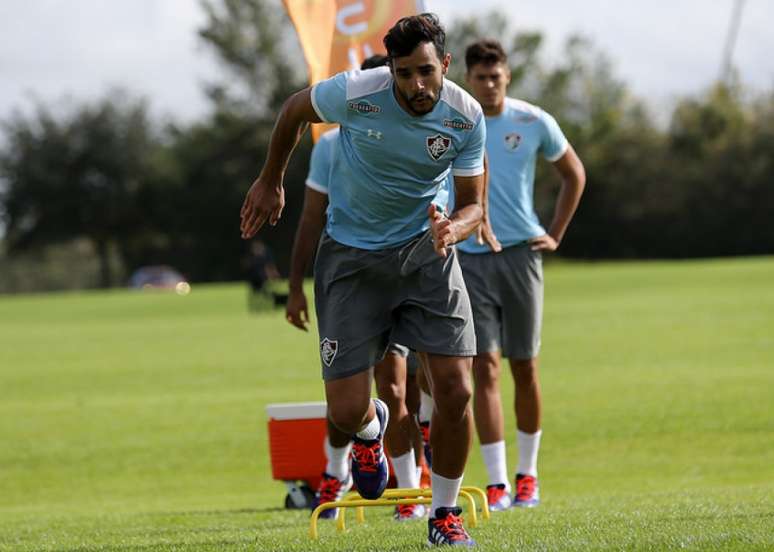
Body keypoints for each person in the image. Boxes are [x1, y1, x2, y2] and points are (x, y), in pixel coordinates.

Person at [241, 13, 488, 546]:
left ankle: (444, 516)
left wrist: (453, 229)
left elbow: (473, 206)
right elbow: (292, 110)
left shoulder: (465, 117)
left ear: (445, 64)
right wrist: (270, 179)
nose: (416, 86)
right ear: (392, 71)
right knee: (347, 409)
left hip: (427, 257)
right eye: (404, 74)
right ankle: (371, 431)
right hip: (351, 260)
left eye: (426, 71)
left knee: (455, 389)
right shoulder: (356, 91)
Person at [284, 53, 429, 522]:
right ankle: (340, 466)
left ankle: (407, 491)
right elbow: (310, 219)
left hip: (404, 269)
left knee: (394, 384)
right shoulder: (329, 147)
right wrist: (293, 287)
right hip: (347, 272)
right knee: (344, 390)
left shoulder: (422, 131)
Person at [458, 39, 586, 510]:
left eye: (495, 76)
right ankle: (496, 483)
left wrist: (554, 233)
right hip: (469, 258)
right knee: (483, 368)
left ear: (507, 76)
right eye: (479, 78)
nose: (488, 85)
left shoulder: (533, 120)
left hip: (519, 255)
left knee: (524, 366)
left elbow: (575, 173)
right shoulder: (456, 121)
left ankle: (527, 475)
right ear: (467, 79)